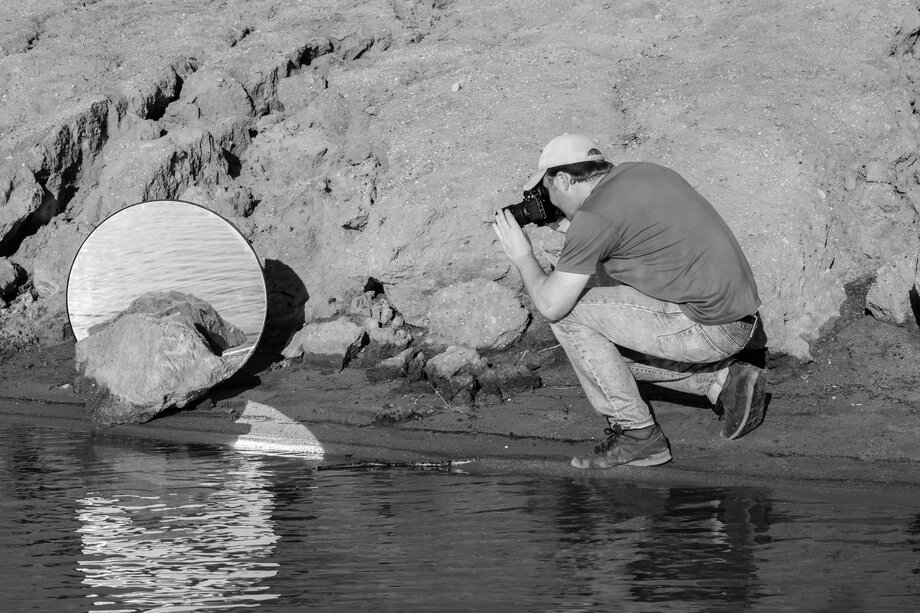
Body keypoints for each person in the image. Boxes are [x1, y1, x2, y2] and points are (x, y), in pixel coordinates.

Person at [492, 133, 768, 469]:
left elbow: (551, 304)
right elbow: (632, 237)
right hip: (738, 316)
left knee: (567, 316)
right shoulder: (644, 172)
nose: (546, 199)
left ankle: (637, 436)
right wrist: (571, 227)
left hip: (711, 330)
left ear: (562, 179)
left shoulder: (595, 219)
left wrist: (523, 256)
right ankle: (725, 381)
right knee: (597, 336)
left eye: (547, 190)